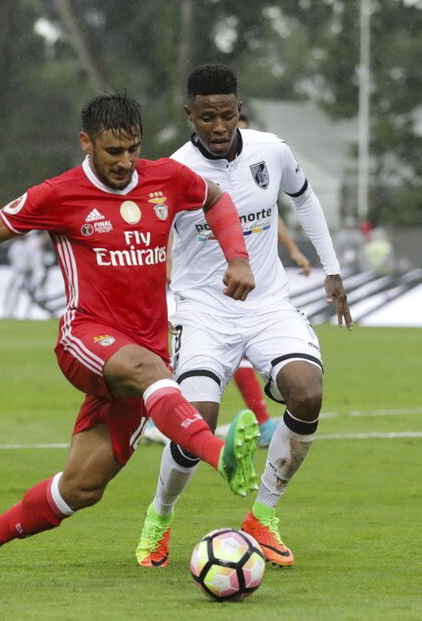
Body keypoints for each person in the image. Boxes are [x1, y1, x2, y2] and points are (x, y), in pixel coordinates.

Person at [0, 93, 261, 591]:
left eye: (132, 150)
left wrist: (238, 257)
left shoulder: (166, 179)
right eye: (113, 151)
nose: (124, 162)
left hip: (143, 360)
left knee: (81, 487)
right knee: (150, 372)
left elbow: (216, 199)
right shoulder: (59, 194)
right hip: (86, 338)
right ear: (86, 142)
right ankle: (218, 450)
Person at [135, 64, 352, 569]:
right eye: (206, 116)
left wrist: (332, 269)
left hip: (269, 305)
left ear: (239, 111)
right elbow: (151, 243)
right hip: (203, 311)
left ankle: (263, 516)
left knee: (308, 391)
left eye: (227, 115)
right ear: (189, 114)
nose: (217, 126)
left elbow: (305, 198)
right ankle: (160, 516)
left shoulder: (271, 150)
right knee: (197, 424)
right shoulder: (174, 172)